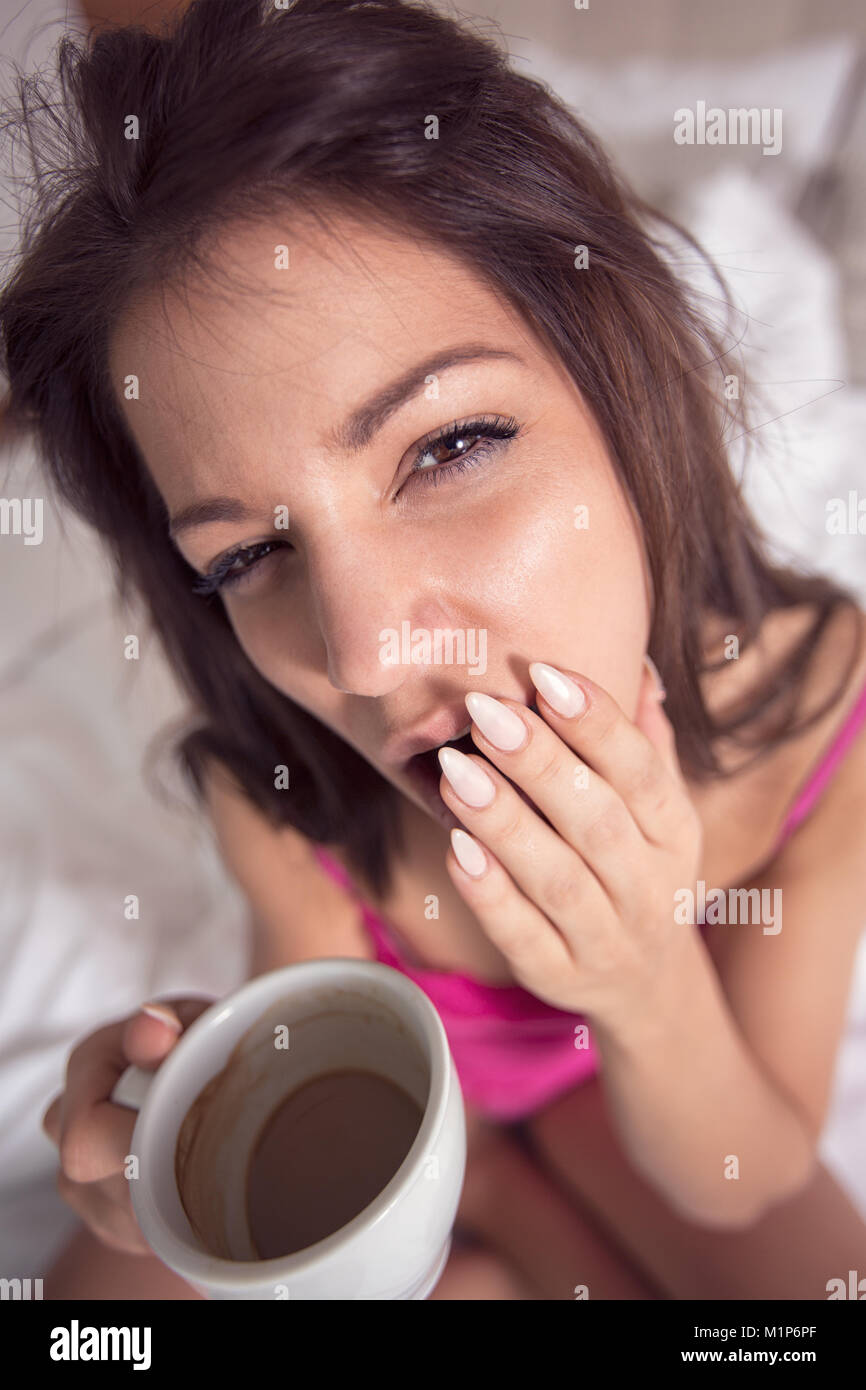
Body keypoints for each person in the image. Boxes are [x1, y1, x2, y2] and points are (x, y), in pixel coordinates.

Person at [3, 0, 866, 1299]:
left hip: (667, 1100)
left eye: (445, 447)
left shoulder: (816, 702)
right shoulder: (285, 793)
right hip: (424, 1092)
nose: (361, 651)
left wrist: (638, 977)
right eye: (245, 557)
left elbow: (736, 1172)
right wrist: (180, 1139)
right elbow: (307, 1101)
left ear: (620, 375)